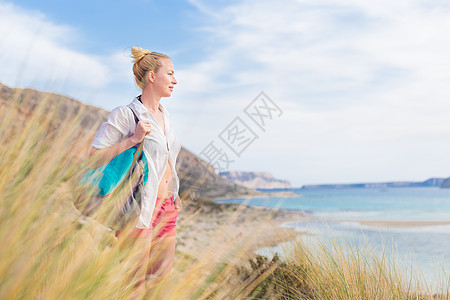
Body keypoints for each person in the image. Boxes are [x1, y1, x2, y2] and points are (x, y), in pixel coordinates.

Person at [88, 46, 182, 296]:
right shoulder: (125, 114)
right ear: (152, 76)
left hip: (167, 206)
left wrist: (175, 193)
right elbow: (92, 159)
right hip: (138, 206)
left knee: (159, 279)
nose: (175, 80)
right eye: (170, 73)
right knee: (133, 281)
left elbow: (167, 160)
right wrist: (132, 140)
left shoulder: (165, 116)